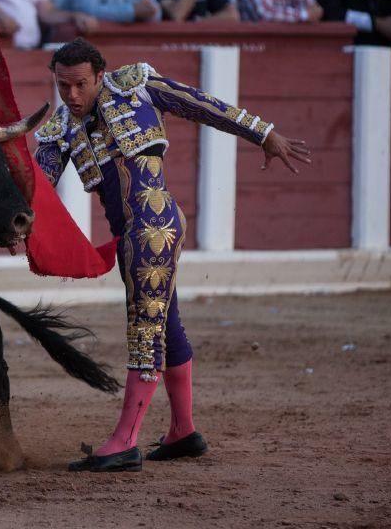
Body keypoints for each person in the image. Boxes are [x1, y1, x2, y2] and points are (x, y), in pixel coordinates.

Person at [33, 38, 311, 473]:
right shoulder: (59, 130)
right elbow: (33, 191)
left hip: (153, 225)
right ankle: (183, 431)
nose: (71, 95)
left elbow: (203, 105)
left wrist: (263, 132)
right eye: (63, 85)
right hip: (132, 232)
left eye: (80, 85)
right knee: (166, 322)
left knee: (145, 326)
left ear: (100, 76)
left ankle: (125, 441)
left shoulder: (136, 86)